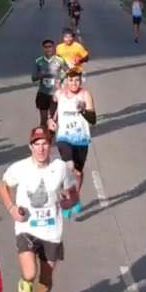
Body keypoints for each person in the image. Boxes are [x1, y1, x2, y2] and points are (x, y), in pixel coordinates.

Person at [0, 127, 73, 292]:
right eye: (37, 144)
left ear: (50, 146)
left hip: (52, 230)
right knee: (31, 272)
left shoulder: (60, 168)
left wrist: (69, 201)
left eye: (44, 144)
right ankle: (26, 280)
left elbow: (72, 191)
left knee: (46, 277)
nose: (41, 148)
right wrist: (12, 208)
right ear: (30, 147)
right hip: (27, 228)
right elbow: (3, 186)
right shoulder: (20, 168)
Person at [50, 69, 96, 217]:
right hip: (64, 138)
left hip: (81, 139)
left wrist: (83, 111)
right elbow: (53, 103)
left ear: (81, 81)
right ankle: (66, 201)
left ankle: (75, 196)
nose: (74, 83)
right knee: (69, 166)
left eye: (77, 80)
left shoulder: (85, 95)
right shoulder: (60, 93)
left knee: (77, 172)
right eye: (71, 80)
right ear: (67, 81)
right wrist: (51, 119)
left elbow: (93, 120)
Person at [31, 39, 68, 129]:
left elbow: (67, 71)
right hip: (43, 93)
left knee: (53, 119)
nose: (48, 49)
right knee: (43, 119)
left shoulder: (60, 60)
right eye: (46, 47)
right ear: (43, 48)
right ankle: (43, 135)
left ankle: (51, 134)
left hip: (55, 94)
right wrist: (41, 75)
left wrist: (60, 79)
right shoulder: (38, 61)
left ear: (53, 48)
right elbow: (33, 78)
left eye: (50, 46)